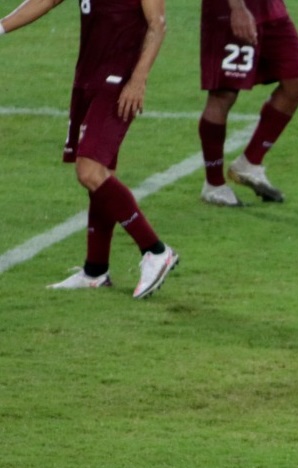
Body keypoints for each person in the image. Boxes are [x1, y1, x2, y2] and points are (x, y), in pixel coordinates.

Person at [2, 0, 179, 299]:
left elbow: (157, 24)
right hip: (88, 77)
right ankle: (95, 271)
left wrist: (138, 80)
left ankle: (155, 250)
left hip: (119, 80)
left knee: (90, 170)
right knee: (102, 172)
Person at [198, 0, 298, 205]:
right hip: (230, 11)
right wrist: (237, 8)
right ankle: (214, 184)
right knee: (223, 94)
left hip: (270, 9)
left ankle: (249, 163)